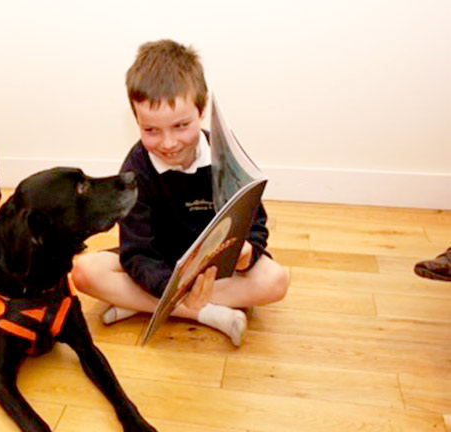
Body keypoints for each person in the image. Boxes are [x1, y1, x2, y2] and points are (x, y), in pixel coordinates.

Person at [71, 39, 289, 346]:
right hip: (159, 268)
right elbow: (136, 253)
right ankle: (206, 313)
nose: (168, 143)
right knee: (83, 271)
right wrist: (168, 287)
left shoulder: (222, 155)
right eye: (151, 130)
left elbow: (256, 225)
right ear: (136, 120)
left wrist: (248, 253)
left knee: (276, 281)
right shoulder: (136, 170)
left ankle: (137, 305)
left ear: (201, 110)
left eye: (181, 126)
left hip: (211, 270)